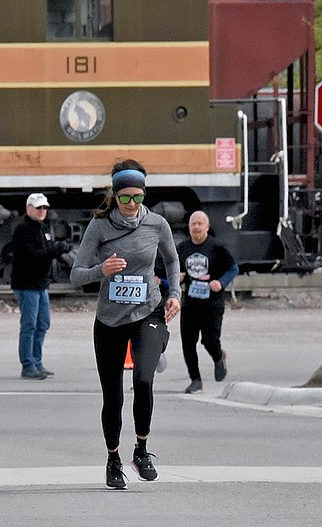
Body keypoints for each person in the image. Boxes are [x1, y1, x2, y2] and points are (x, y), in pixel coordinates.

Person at [70, 160, 180, 489]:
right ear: (114, 196)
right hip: (109, 319)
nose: (132, 205)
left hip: (147, 311)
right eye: (125, 198)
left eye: (138, 197)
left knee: (144, 380)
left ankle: (142, 451)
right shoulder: (100, 227)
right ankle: (113, 459)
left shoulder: (157, 224)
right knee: (113, 397)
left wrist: (175, 294)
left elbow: (172, 260)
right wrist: (100, 271)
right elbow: (76, 275)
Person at [177, 210, 239, 394]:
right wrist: (176, 278)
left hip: (212, 303)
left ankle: (219, 356)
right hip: (190, 302)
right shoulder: (182, 248)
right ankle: (195, 380)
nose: (196, 227)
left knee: (209, 340)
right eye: (193, 224)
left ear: (207, 227)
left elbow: (233, 268)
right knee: (188, 342)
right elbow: (175, 272)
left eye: (199, 224)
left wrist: (221, 282)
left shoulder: (217, 247)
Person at [9, 192, 69, 379]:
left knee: (42, 323)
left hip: (40, 284)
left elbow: (47, 251)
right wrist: (55, 250)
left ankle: (37, 361)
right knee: (29, 324)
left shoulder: (43, 228)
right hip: (27, 284)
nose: (43, 211)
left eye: (45, 208)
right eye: (39, 208)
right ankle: (28, 364)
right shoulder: (22, 230)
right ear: (29, 209)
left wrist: (63, 253)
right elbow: (30, 256)